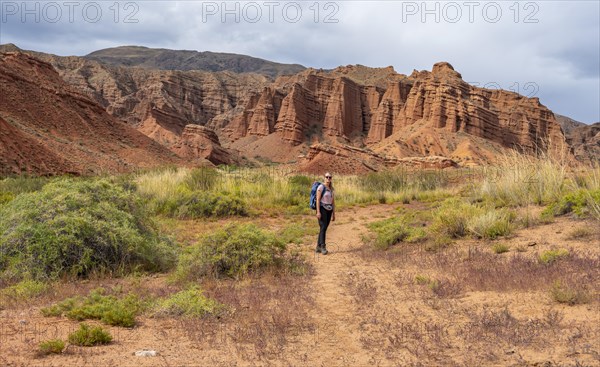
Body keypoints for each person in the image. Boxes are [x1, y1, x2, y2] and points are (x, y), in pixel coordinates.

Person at [316, 172, 335, 255]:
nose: (328, 179)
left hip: (329, 209)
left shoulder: (331, 189)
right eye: (327, 177)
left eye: (330, 177)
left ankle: (318, 246)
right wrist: (318, 212)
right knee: (323, 227)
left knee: (323, 228)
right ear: (324, 177)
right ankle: (323, 247)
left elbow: (333, 202)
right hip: (322, 209)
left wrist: (334, 214)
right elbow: (317, 200)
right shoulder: (321, 187)